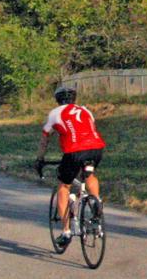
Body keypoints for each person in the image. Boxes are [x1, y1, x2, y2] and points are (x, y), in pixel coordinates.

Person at [37, 84, 106, 249]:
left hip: (74, 152)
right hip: (96, 148)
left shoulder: (55, 113)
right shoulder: (85, 110)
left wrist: (40, 158)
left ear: (58, 99)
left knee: (64, 186)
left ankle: (66, 231)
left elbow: (45, 137)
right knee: (89, 175)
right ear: (74, 98)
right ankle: (95, 201)